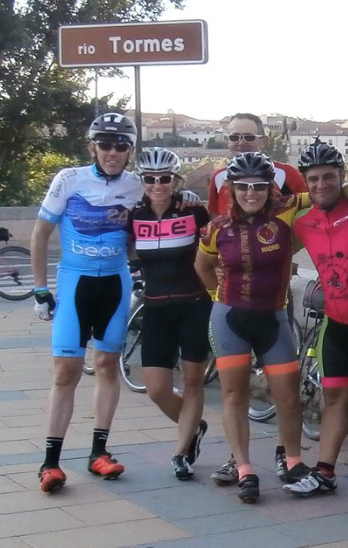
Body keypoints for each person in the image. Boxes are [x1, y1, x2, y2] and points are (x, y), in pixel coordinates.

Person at [30, 113, 143, 492]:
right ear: (92, 147)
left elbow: (141, 233)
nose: (113, 152)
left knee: (108, 366)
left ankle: (99, 453)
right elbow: (40, 234)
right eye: (105, 144)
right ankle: (50, 462)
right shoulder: (69, 179)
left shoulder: (136, 186)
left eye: (121, 145)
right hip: (75, 282)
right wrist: (40, 289)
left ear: (130, 150)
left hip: (115, 284)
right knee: (66, 372)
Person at [195, 151, 305, 503]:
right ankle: (244, 469)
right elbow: (202, 266)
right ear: (232, 189)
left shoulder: (286, 210)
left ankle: (293, 462)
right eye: (243, 187)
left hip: (273, 318)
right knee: (234, 396)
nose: (251, 193)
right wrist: (216, 295)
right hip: (230, 319)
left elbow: (326, 192)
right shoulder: (216, 228)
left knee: (288, 396)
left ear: (270, 188)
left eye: (259, 186)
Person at [282, 138, 348, 497]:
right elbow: (273, 251)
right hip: (336, 324)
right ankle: (325, 472)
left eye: (329, 177)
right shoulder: (304, 224)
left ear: (342, 175)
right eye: (313, 179)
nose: (321, 185)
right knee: (335, 398)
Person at [126, 147, 211, 480]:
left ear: (176, 180)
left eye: (164, 179)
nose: (157, 185)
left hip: (194, 305)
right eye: (150, 179)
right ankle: (194, 427)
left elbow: (216, 248)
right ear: (142, 181)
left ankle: (182, 451)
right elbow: (125, 250)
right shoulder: (135, 216)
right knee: (156, 389)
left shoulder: (194, 211)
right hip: (156, 308)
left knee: (192, 382)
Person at [205, 112, 307, 217]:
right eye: (234, 137)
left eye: (249, 137)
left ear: (263, 141)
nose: (241, 143)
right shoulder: (218, 178)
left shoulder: (289, 175)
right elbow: (214, 220)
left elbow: (307, 215)